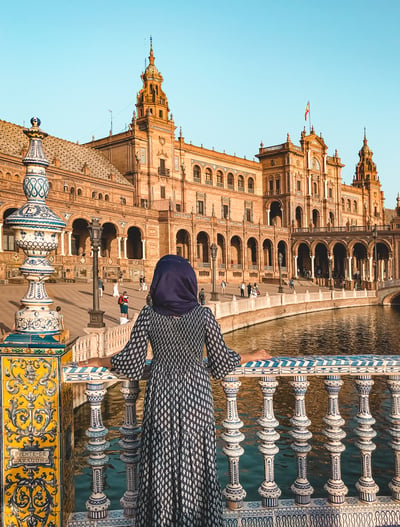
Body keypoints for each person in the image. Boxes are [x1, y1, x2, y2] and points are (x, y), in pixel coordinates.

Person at [80, 254, 270, 526]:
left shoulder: (148, 315)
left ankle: (164, 519)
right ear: (188, 282)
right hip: (197, 398)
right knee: (196, 461)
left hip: (162, 396)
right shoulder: (203, 315)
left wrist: (100, 360)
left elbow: (130, 364)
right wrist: (249, 355)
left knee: (163, 461)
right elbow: (219, 363)